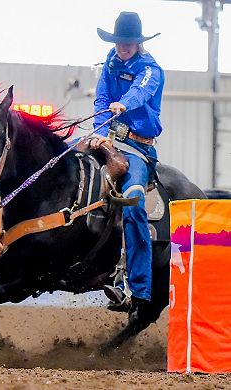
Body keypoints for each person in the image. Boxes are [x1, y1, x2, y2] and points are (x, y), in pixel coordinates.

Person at [89, 12, 165, 312]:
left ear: (138, 44)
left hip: (137, 148)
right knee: (64, 160)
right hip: (109, 140)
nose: (123, 48)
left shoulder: (150, 69)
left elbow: (140, 90)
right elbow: (101, 98)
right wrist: (98, 127)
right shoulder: (110, 61)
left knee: (133, 201)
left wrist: (125, 104)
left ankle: (139, 288)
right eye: (120, 42)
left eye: (128, 44)